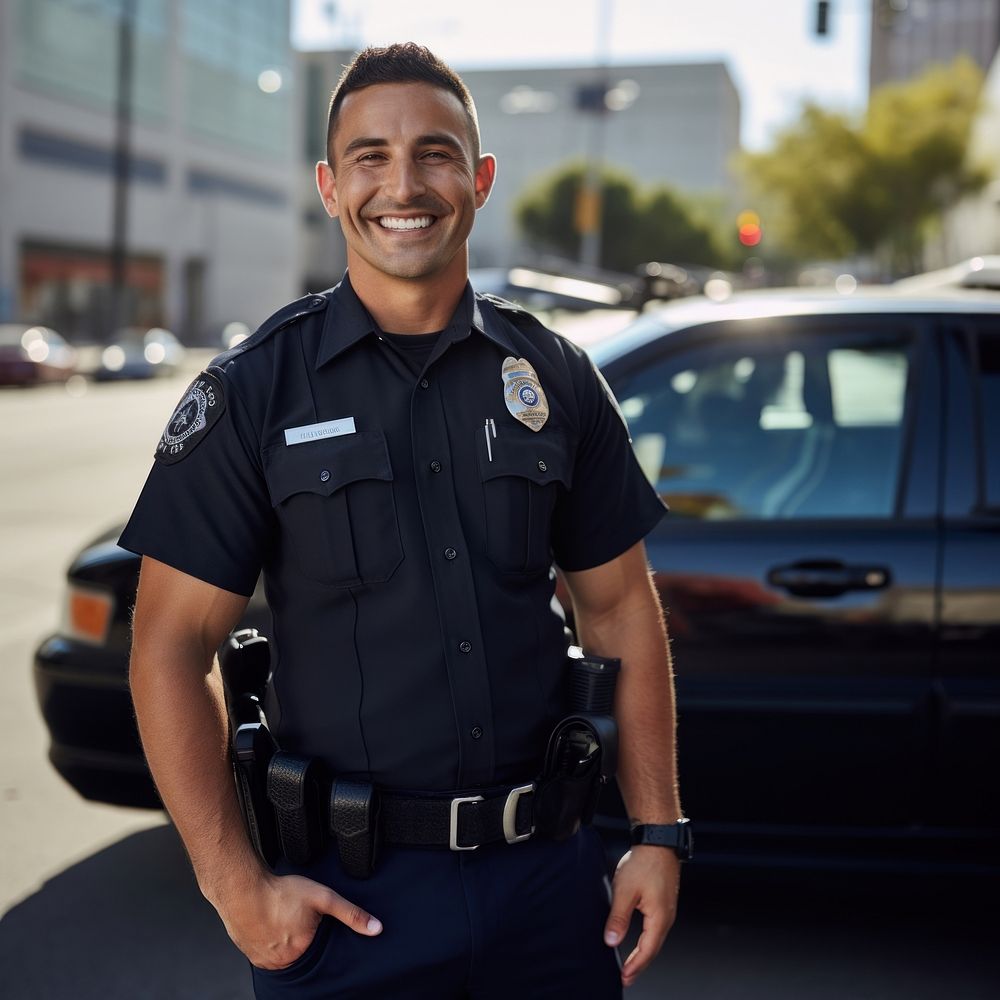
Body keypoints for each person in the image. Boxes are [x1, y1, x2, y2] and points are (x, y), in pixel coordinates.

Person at [122, 42, 684, 999]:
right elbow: (171, 647)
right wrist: (236, 891)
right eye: (370, 158)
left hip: (548, 892)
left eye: (434, 152)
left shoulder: (554, 378)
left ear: (481, 178)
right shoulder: (256, 391)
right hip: (350, 909)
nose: (404, 184)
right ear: (331, 187)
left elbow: (622, 608)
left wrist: (658, 832)